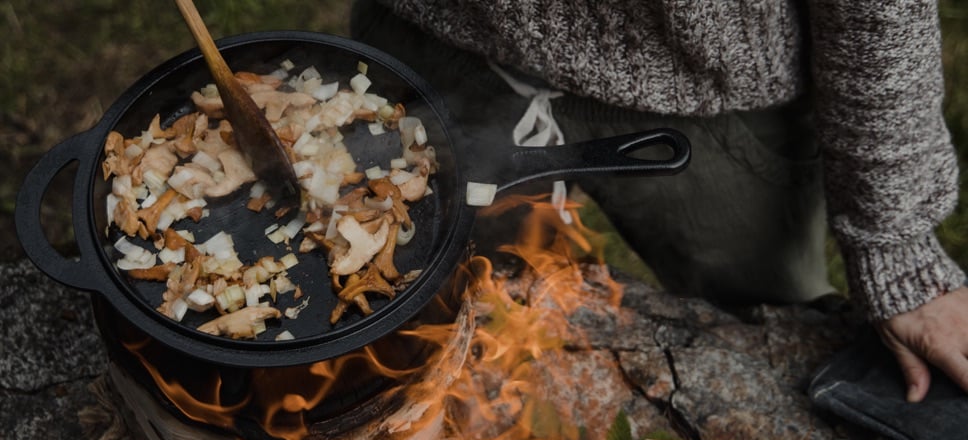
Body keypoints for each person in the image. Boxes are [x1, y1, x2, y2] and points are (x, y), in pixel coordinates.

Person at [349, 0, 968, 403]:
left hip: (712, 85)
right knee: (431, 323)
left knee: (783, 345)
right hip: (439, 35)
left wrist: (896, 243)